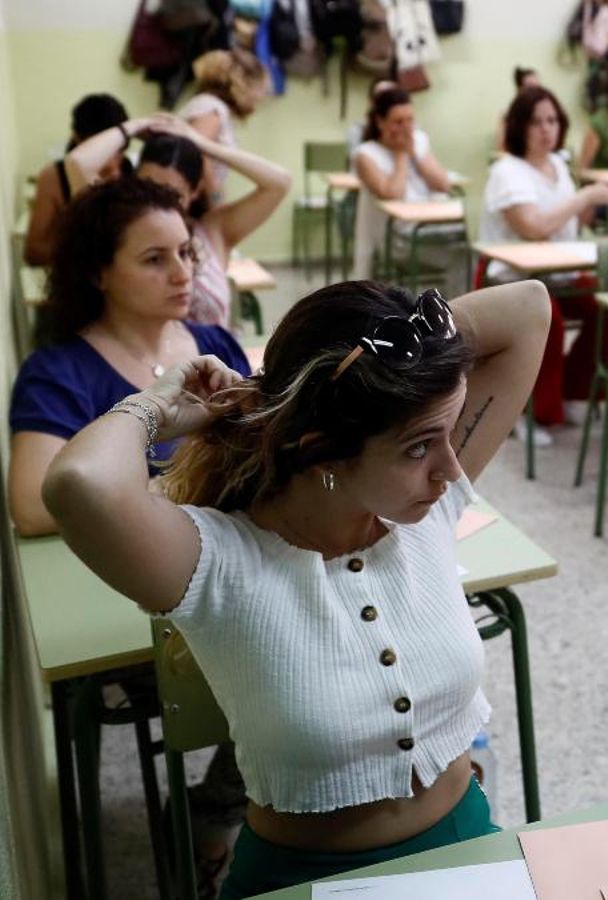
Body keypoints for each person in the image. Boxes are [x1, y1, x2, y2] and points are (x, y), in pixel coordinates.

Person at [41, 275, 551, 899]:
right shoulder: (217, 560)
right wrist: (158, 406)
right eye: (420, 446)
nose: (450, 469)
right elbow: (77, 484)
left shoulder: (422, 508)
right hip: (308, 882)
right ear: (323, 453)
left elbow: (528, 308)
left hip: (467, 848)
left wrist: (384, 356)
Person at [8, 177, 254, 893]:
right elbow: (30, 501)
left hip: (227, 579)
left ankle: (228, 810)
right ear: (98, 272)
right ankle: (231, 818)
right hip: (139, 606)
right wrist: (167, 486)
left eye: (186, 252)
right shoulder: (61, 370)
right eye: (155, 259)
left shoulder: (211, 342)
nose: (185, 273)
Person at [68, 113, 291, 327]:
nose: (156, 201)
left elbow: (280, 182)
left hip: (210, 360)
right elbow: (78, 163)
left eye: (172, 195)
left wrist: (200, 142)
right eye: (147, 186)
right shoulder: (115, 225)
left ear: (194, 192)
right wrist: (136, 126)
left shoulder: (213, 230)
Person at [480, 87, 608, 434]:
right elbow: (533, 227)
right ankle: (529, 411)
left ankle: (570, 390)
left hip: (559, 271)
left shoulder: (558, 164)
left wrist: (591, 205)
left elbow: (565, 225)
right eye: (536, 121)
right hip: (511, 279)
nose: (546, 129)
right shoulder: (507, 170)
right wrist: (584, 195)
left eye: (552, 120)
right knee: (548, 320)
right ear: (520, 127)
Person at [351, 87, 455, 281]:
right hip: (397, 239)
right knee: (457, 250)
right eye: (398, 122)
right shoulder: (365, 155)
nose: (407, 128)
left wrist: (416, 154)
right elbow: (393, 194)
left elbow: (444, 185)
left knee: (462, 243)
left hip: (429, 226)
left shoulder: (420, 141)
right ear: (380, 123)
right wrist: (401, 154)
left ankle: (460, 307)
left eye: (410, 120)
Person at [23, 93, 132, 267]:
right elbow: (33, 251)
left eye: (117, 149)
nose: (110, 160)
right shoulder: (54, 177)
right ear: (77, 140)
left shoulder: (132, 171)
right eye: (99, 149)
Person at [178, 48, 271, 202]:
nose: (261, 96)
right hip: (193, 201)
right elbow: (196, 154)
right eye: (260, 88)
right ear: (243, 84)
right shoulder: (212, 109)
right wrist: (215, 199)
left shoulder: (212, 106)